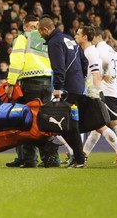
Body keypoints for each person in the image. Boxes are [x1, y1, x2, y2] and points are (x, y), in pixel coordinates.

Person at [4, 14, 59, 168]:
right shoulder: (46, 39)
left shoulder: (23, 38)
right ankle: (51, 158)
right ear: (26, 26)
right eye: (33, 27)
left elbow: (16, 61)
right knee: (45, 121)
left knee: (26, 121)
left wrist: (11, 83)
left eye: (37, 26)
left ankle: (29, 159)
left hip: (30, 84)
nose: (35, 29)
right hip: (48, 83)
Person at [79, 26, 117, 163]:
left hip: (105, 91)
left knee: (115, 123)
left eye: (93, 37)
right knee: (97, 125)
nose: (92, 40)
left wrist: (106, 74)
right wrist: (112, 73)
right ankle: (83, 154)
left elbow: (104, 62)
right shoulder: (110, 49)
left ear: (98, 37)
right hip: (111, 90)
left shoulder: (100, 49)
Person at [41, 17, 87, 167]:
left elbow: (58, 67)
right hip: (78, 86)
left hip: (67, 88)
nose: (40, 35)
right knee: (70, 124)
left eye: (40, 32)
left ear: (45, 30)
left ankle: (79, 158)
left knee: (63, 124)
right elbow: (84, 61)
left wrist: (58, 88)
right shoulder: (69, 39)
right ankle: (78, 158)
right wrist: (81, 78)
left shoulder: (54, 42)